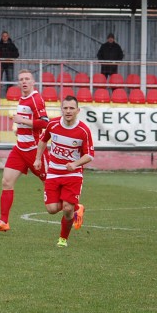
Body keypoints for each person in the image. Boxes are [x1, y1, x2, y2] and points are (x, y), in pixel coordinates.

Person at [0, 69, 49, 232]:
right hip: (20, 149)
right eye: (21, 79)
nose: (24, 82)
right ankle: (3, 221)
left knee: (51, 185)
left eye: (27, 79)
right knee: (6, 182)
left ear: (33, 82)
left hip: (35, 150)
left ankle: (76, 207)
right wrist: (20, 127)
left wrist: (22, 120)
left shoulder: (36, 99)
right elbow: (28, 123)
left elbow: (44, 123)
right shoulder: (23, 98)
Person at [33, 95, 94, 248]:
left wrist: (75, 164)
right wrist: (38, 159)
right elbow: (43, 140)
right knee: (51, 209)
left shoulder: (83, 131)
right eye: (65, 108)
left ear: (78, 110)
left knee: (67, 209)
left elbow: (89, 155)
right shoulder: (52, 124)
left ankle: (62, 239)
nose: (68, 111)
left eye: (71, 108)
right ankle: (76, 206)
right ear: (61, 109)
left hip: (73, 174)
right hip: (53, 171)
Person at [0, 31, 20, 98]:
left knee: (10, 80)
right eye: (3, 36)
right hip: (0, 64)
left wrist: (9, 57)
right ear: (1, 37)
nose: (5, 37)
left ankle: (10, 95)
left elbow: (17, 54)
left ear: (8, 37)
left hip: (9, 64)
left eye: (6, 36)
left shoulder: (12, 45)